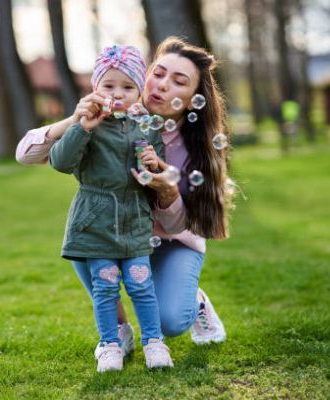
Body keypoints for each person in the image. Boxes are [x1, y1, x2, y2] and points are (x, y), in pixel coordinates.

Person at [16, 36, 230, 356]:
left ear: (193, 97)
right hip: (114, 230)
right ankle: (118, 328)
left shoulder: (195, 148)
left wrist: (168, 191)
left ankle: (193, 300)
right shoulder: (114, 115)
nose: (162, 85)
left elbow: (176, 227)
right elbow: (25, 154)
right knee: (85, 238)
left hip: (172, 243)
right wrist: (75, 120)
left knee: (170, 320)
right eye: (158, 74)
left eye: (178, 81)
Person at [49, 44, 173, 372]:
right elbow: (60, 162)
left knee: (141, 284)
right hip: (95, 220)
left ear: (139, 91)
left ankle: (153, 342)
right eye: (109, 85)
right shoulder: (88, 124)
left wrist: (154, 164)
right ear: (95, 88)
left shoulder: (148, 126)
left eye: (128, 86)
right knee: (104, 287)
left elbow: (157, 178)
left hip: (134, 218)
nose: (118, 93)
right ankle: (109, 345)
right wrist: (82, 127)